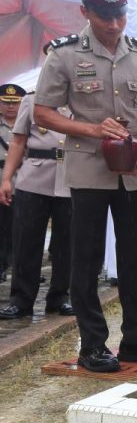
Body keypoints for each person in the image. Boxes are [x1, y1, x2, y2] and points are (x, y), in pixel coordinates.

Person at [34, 0, 137, 372]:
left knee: (133, 258)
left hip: (133, 171)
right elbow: (42, 112)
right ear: (85, 11)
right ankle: (93, 345)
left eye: (119, 16)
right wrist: (92, 129)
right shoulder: (63, 54)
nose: (113, 25)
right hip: (88, 170)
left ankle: (136, 341)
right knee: (87, 258)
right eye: (104, 16)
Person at [0, 90, 74, 319]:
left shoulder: (81, 99)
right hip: (33, 178)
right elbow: (18, 141)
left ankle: (60, 297)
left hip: (71, 178)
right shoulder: (31, 100)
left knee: (66, 244)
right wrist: (6, 179)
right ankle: (21, 301)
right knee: (26, 242)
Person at [0, 83, 23, 282]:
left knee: (21, 229)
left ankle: (20, 267)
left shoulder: (29, 126)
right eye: (6, 102)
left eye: (14, 102)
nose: (10, 106)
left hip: (22, 183)